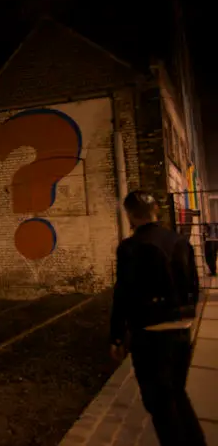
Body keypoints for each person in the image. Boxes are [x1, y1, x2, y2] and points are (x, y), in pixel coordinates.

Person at [110, 191, 205, 446]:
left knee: (158, 403)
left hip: (150, 333)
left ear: (130, 215)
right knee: (176, 393)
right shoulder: (179, 241)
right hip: (181, 330)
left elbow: (123, 295)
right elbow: (194, 287)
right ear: (156, 212)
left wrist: (117, 335)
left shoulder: (129, 248)